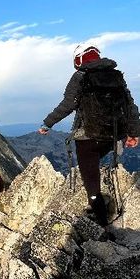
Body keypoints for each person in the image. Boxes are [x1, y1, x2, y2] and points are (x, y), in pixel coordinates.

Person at [39, 43, 139, 225]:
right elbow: (130, 106)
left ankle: (102, 222)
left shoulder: (80, 76)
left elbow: (68, 105)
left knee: (91, 182)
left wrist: (47, 123)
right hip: (114, 136)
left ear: (78, 60)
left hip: (88, 139)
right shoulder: (116, 76)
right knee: (102, 158)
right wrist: (134, 133)